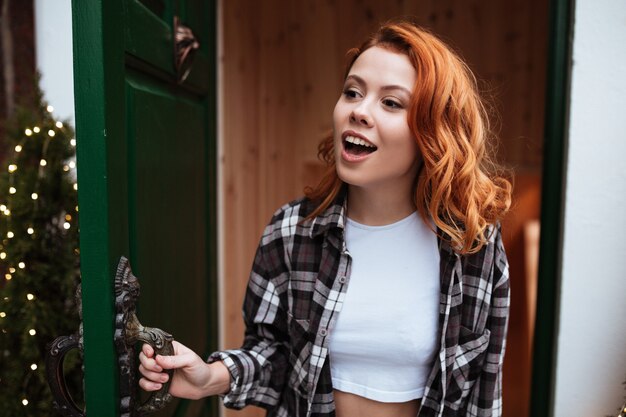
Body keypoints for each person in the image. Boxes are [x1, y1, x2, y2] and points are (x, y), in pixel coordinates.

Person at [139, 21, 512, 417]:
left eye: (391, 103)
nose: (359, 111)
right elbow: (274, 355)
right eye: (353, 92)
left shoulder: (473, 244)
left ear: (432, 132)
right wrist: (213, 376)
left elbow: (483, 392)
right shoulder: (290, 232)